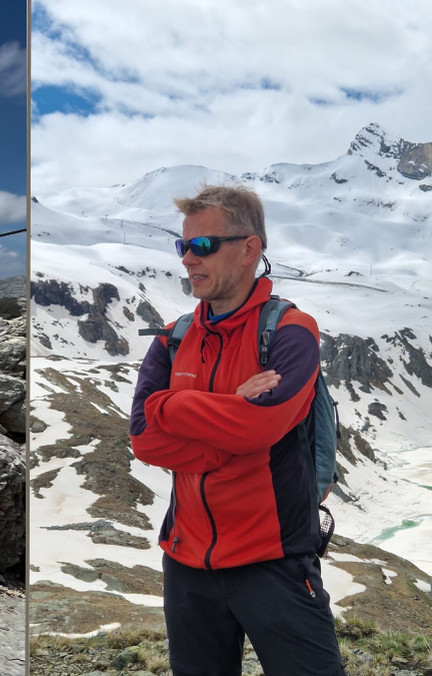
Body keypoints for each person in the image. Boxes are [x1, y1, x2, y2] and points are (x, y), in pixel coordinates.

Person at [129, 185, 344, 675]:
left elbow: (259, 427)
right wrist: (219, 411)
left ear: (250, 249)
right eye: (182, 246)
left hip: (276, 564)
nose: (188, 260)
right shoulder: (172, 338)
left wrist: (175, 407)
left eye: (202, 245)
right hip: (186, 566)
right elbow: (143, 439)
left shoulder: (291, 331)